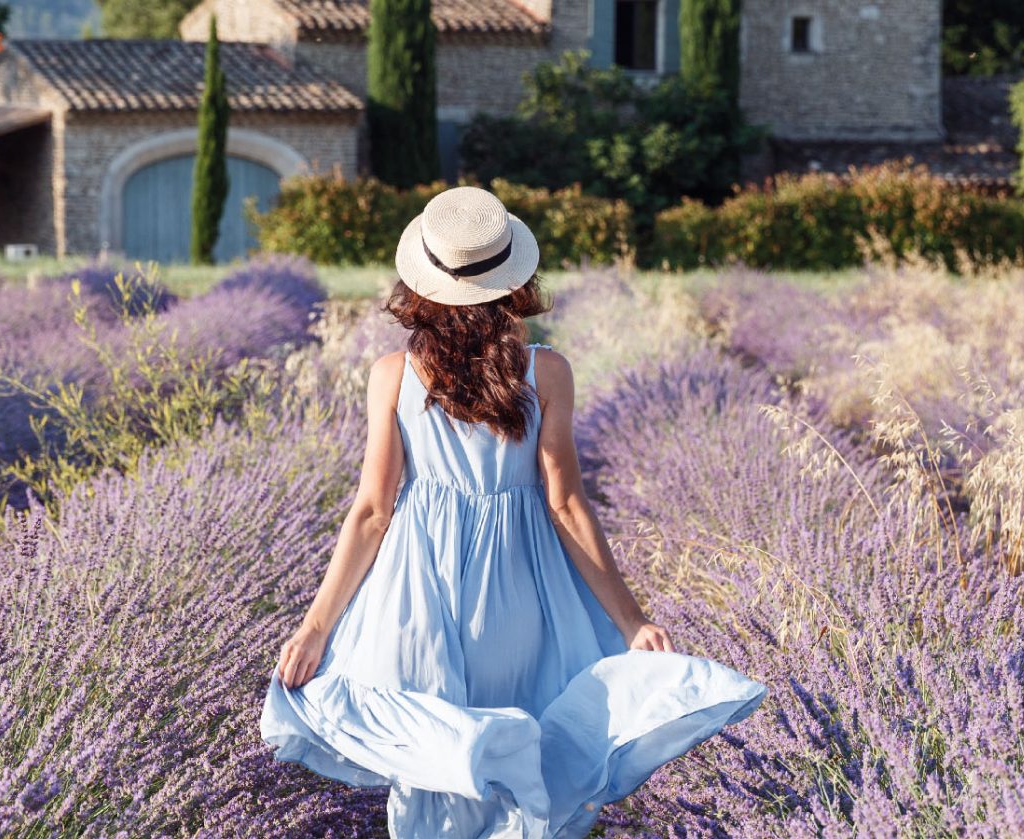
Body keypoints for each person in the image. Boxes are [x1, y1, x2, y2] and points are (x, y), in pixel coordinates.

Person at [260, 186, 765, 838]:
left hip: (422, 598)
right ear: (512, 283)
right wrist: (632, 620)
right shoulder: (546, 372)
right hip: (519, 598)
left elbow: (371, 513)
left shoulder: (393, 374)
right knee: (526, 776)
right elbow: (566, 504)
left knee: (435, 781)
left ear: (425, 282)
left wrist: (314, 629)